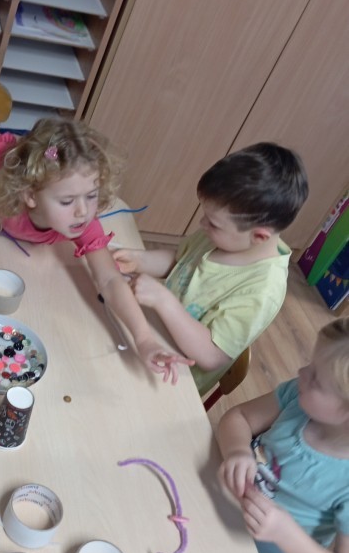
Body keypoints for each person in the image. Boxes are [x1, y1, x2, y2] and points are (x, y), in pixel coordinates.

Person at [0, 117, 193, 383]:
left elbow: (110, 279)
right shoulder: (1, 177)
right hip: (18, 153)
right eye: (67, 201)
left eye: (91, 196)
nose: (82, 211)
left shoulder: (83, 224)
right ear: (30, 195)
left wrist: (144, 340)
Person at [112, 143, 309, 396]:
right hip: (149, 333)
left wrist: (164, 300)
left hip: (171, 379)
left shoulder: (262, 292)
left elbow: (211, 356)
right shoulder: (225, 237)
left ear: (259, 236)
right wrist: (139, 259)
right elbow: (181, 262)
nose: (202, 223)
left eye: (213, 223)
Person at [216, 319, 349, 553]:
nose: (302, 372)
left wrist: (286, 534)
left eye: (316, 379)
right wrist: (238, 451)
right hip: (218, 513)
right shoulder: (297, 397)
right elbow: (238, 418)